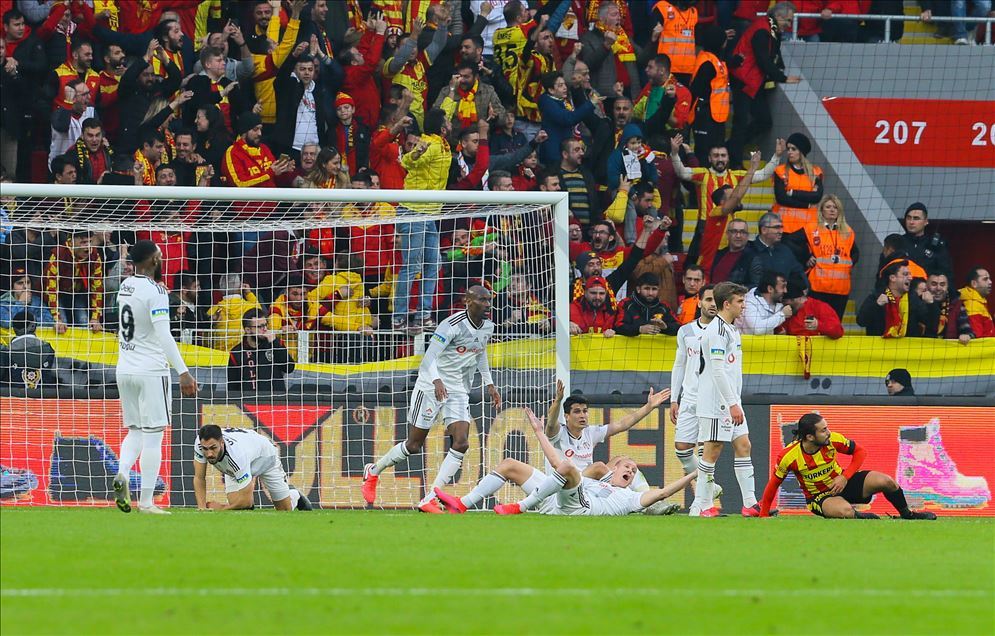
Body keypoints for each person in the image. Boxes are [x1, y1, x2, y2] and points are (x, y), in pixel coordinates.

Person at [362, 286, 503, 513]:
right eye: (482, 300)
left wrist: (490, 384)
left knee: (462, 442)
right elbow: (429, 357)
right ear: (467, 301)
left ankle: (430, 498)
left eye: (489, 300)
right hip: (430, 385)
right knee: (414, 445)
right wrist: (437, 381)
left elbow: (480, 352)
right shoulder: (451, 325)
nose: (487, 304)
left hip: (457, 390)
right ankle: (373, 471)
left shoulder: (488, 326)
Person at [433, 406, 693, 515]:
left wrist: (694, 474)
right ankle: (462, 504)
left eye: (633, 471)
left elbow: (662, 492)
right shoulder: (598, 477)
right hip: (554, 492)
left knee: (570, 468)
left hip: (575, 505)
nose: (631, 471)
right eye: (627, 467)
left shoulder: (628, 498)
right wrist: (538, 432)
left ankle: (520, 507)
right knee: (510, 464)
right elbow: (556, 461)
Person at [112, 240, 198, 515]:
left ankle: (123, 472)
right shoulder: (156, 292)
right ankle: (147, 502)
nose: (162, 259)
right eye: (159, 255)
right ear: (152, 261)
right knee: (154, 435)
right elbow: (163, 335)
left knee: (135, 430)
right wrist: (183, 371)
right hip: (150, 370)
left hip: (125, 368)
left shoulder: (125, 286)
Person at [758, 413, 936, 520]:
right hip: (819, 497)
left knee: (887, 481)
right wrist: (764, 514)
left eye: (827, 428)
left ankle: (907, 515)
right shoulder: (788, 456)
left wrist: (845, 477)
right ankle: (860, 517)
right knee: (844, 511)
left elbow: (860, 452)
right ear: (810, 437)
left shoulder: (832, 440)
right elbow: (774, 484)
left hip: (843, 482)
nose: (828, 433)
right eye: (823, 430)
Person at [691, 281, 760, 517]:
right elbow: (717, 371)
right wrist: (732, 404)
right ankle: (702, 505)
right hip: (716, 402)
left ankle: (750, 504)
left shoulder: (731, 330)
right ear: (727, 304)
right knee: (712, 450)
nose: (743, 305)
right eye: (740, 301)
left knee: (744, 445)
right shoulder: (717, 331)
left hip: (731, 400)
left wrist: (735, 401)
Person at [671, 136, 780, 272]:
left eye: (723, 155)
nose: (720, 159)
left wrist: (777, 156)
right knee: (694, 264)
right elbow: (681, 172)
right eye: (716, 156)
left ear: (728, 158)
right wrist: (674, 153)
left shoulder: (736, 175)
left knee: (725, 263)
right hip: (705, 227)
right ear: (709, 158)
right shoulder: (703, 174)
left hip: (729, 227)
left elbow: (762, 175)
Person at [393, 108, 452, 333]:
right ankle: (399, 317)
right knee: (411, 266)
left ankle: (424, 314)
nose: (451, 122)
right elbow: (407, 163)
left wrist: (452, 92)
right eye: (447, 120)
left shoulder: (442, 144)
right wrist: (416, 153)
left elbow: (448, 106)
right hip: (413, 211)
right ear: (442, 127)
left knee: (433, 264)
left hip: (430, 212)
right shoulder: (430, 144)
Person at [727, 2, 801, 164]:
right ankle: (735, 161)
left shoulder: (771, 29)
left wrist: (779, 69)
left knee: (764, 120)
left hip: (753, 81)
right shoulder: (762, 30)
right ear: (778, 16)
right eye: (788, 20)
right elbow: (763, 60)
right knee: (741, 122)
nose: (789, 25)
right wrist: (783, 77)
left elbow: (773, 54)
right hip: (744, 80)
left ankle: (730, 148)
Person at [670, 285, 723, 483]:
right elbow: (679, 365)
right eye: (708, 300)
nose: (713, 304)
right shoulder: (685, 331)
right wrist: (674, 398)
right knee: (682, 448)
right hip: (689, 397)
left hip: (712, 399)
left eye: (716, 301)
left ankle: (705, 494)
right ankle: (710, 487)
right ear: (699, 302)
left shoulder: (725, 332)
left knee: (704, 450)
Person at [193, 425, 312, 511]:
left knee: (284, 510)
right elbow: (199, 477)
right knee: (237, 507)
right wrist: (202, 508)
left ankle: (294, 495)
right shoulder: (200, 443)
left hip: (265, 457)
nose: (209, 454)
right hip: (237, 464)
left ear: (222, 442)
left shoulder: (237, 456)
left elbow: (246, 502)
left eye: (213, 448)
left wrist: (220, 509)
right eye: (205, 449)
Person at [802, 194, 857, 320]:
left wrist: (849, 264)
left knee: (834, 325)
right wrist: (807, 257)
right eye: (828, 207)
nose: (832, 210)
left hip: (840, 290)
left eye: (835, 207)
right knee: (813, 324)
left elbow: (855, 253)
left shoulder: (847, 231)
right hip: (818, 288)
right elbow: (793, 242)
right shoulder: (812, 228)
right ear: (821, 210)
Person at [857, 260, 939, 338]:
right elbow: (861, 321)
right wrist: (877, 305)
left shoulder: (913, 299)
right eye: (905, 274)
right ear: (893, 278)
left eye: (910, 274)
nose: (910, 277)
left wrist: (931, 304)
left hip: (906, 347)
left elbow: (930, 324)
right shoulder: (876, 297)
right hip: (880, 347)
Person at [44, 230, 105, 332]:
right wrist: (57, 318)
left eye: (90, 242)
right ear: (72, 241)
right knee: (62, 324)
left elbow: (97, 288)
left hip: (78, 294)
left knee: (84, 321)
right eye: (83, 242)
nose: (88, 247)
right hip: (59, 295)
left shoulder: (95, 256)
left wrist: (95, 317)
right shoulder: (59, 255)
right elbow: (51, 289)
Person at [227, 308, 295, 394]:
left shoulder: (275, 343)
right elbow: (232, 387)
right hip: (250, 401)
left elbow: (289, 368)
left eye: (266, 325)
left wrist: (274, 343)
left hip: (276, 400)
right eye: (260, 326)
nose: (265, 329)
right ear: (248, 330)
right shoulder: (236, 353)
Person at [772, 132, 824, 235]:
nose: (789, 152)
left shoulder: (815, 172)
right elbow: (781, 198)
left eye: (793, 149)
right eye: (788, 149)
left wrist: (792, 193)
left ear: (802, 151)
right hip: (784, 226)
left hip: (808, 228)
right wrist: (807, 204)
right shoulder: (780, 171)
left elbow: (817, 197)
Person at [749, 212, 806, 288]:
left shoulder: (785, 251)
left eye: (781, 227)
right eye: (776, 227)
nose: (781, 231)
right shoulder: (749, 251)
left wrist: (805, 287)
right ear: (764, 230)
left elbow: (799, 272)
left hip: (784, 294)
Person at [614, 272, 680, 337]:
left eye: (654, 289)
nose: (650, 293)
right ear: (638, 289)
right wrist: (639, 329)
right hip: (631, 344)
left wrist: (666, 327)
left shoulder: (664, 307)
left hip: (657, 344)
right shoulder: (626, 304)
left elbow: (679, 327)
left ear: (658, 290)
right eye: (647, 288)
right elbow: (618, 327)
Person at [900, 203, 952, 279]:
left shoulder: (936, 245)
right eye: (908, 218)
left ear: (926, 221)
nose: (911, 222)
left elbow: (946, 274)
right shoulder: (898, 242)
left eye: (916, 218)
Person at [777, 282, 844, 339]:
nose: (784, 306)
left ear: (799, 298)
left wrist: (818, 325)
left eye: (786, 302)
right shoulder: (782, 310)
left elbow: (838, 332)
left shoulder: (819, 307)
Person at [738, 270, 791, 335]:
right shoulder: (749, 302)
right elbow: (757, 329)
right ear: (770, 289)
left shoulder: (779, 302)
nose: (785, 291)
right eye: (782, 287)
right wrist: (782, 315)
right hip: (743, 341)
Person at [710, 218, 757, 286]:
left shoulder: (753, 259)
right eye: (734, 231)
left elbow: (755, 286)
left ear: (747, 236)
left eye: (742, 232)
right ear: (727, 234)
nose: (738, 236)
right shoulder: (718, 255)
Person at [954, 267, 994, 342]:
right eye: (985, 279)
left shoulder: (979, 302)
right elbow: (977, 339)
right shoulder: (972, 304)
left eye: (989, 279)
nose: (990, 282)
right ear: (974, 284)